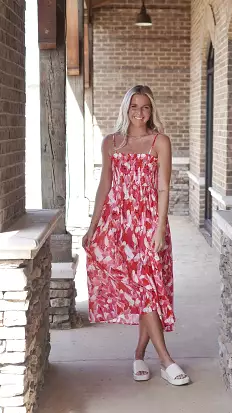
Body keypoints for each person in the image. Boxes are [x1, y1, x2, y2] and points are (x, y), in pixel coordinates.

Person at [82, 85, 190, 386]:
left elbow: (164, 188)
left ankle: (152, 356)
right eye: (135, 107)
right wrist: (93, 228)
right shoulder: (111, 143)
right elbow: (104, 186)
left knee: (149, 289)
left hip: (148, 226)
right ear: (126, 109)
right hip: (119, 226)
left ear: (151, 110)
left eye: (145, 107)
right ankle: (153, 357)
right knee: (142, 291)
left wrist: (158, 228)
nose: (140, 113)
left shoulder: (160, 141)